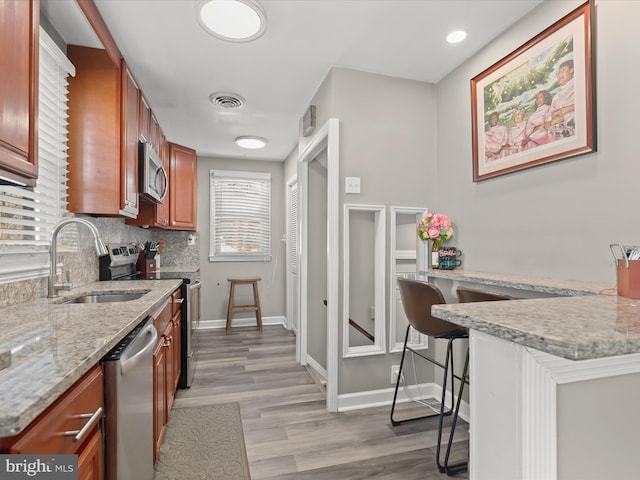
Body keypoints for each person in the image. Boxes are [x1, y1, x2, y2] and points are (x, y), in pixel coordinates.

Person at [549, 59, 575, 139]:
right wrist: (555, 116)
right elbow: (552, 113)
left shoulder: (577, 84)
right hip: (561, 127)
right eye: (559, 72)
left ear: (572, 70)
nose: (560, 74)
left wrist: (566, 109)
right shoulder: (556, 97)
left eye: (563, 70)